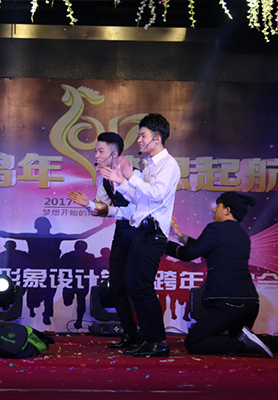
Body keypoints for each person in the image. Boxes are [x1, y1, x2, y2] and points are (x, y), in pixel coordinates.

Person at [167, 192, 278, 358]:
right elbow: (203, 247)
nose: (214, 210)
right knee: (231, 337)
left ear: (227, 210)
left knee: (195, 342)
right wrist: (180, 236)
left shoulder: (215, 229)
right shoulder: (242, 235)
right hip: (250, 304)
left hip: (228, 303)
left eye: (218, 206)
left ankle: (243, 345)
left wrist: (163, 243)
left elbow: (188, 254)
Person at [99, 113, 180, 357]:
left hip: (153, 234)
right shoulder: (148, 165)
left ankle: (158, 342)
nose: (139, 140)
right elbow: (140, 199)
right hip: (140, 232)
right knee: (135, 287)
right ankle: (147, 340)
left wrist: (131, 176)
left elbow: (156, 195)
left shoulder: (169, 165)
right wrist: (121, 182)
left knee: (142, 287)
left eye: (143, 135)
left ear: (157, 138)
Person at [68, 131, 139, 348]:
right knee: (116, 286)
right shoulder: (103, 178)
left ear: (114, 154)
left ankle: (148, 336)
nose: (96, 156)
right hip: (122, 233)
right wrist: (88, 205)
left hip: (140, 234)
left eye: (100, 151)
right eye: (96, 151)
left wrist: (98, 207)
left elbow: (137, 210)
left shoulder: (134, 176)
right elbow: (103, 209)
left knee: (137, 286)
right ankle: (130, 335)